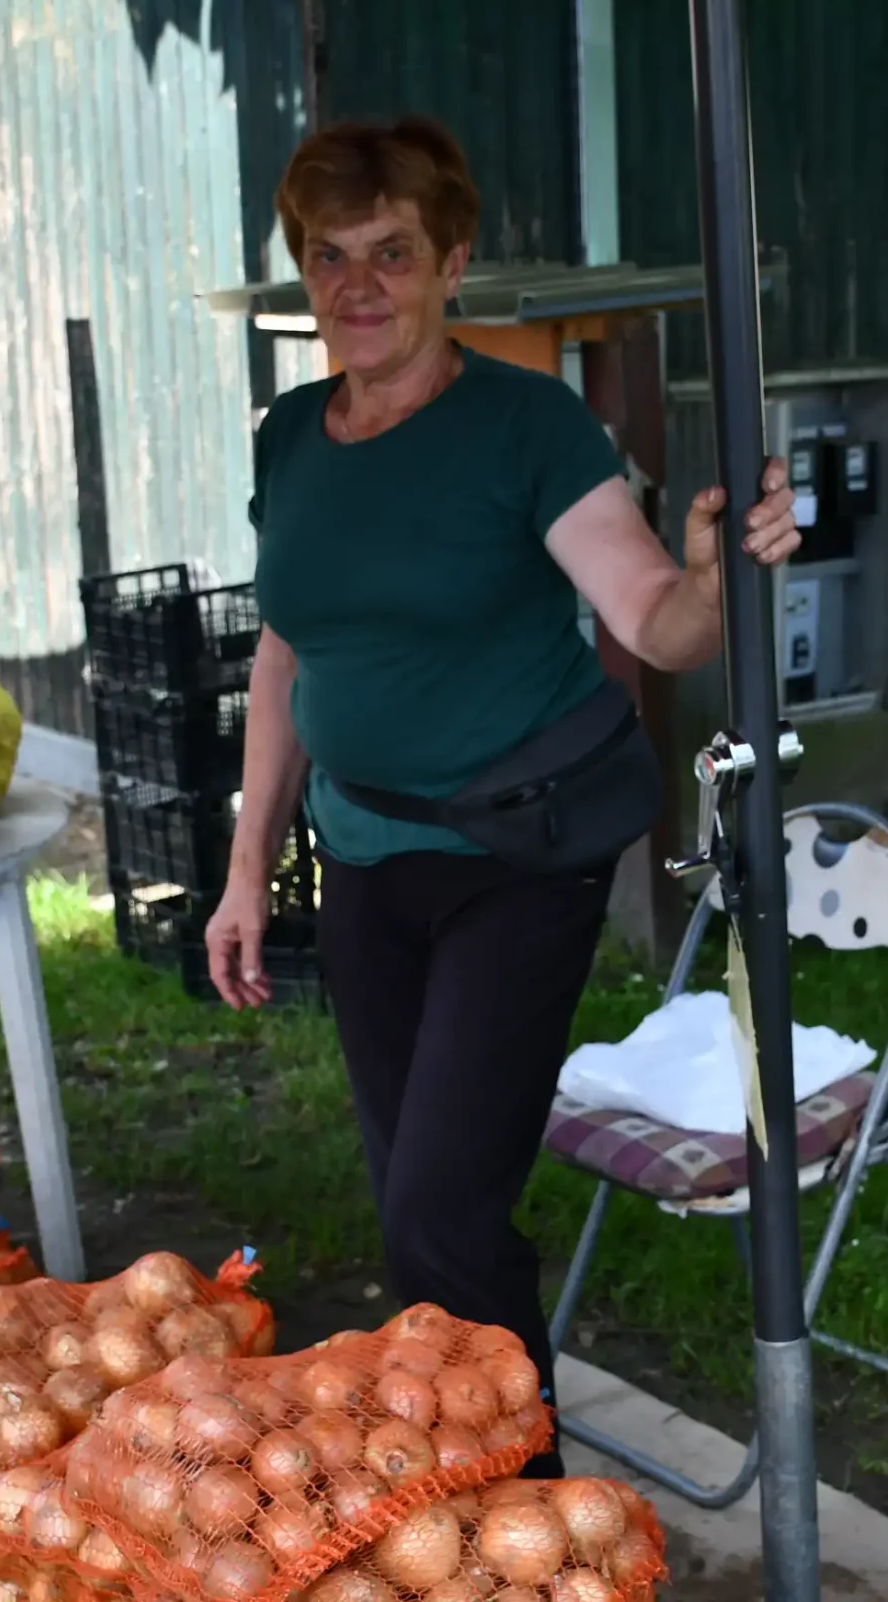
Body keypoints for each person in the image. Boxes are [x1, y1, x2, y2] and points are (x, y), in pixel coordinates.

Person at [205, 117, 799, 1470]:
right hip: (360, 858)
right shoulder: (294, 433)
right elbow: (291, 644)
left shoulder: (526, 423)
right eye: (329, 255)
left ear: (451, 262)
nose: (358, 284)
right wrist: (250, 868)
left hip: (514, 858)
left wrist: (717, 569)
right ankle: (466, 1473)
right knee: (427, 1210)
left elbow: (658, 620)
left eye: (392, 252)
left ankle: (523, 1508)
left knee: (437, 1207)